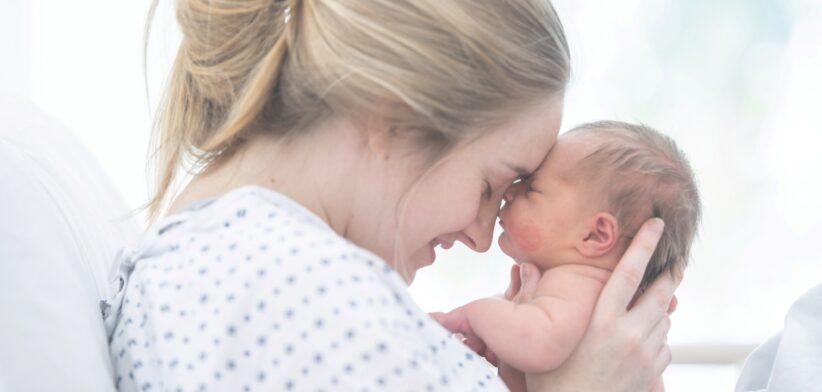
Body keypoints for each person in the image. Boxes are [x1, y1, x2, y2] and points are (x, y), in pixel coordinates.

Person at [101, 0, 680, 391]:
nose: (484, 239)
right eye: (489, 187)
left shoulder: (241, 266)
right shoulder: (298, 293)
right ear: (394, 115)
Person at [432, 121, 701, 391]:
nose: (510, 192)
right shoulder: (588, 292)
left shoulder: (579, 284)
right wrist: (502, 335)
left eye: (532, 188)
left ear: (595, 235)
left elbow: (538, 343)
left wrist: (474, 316)